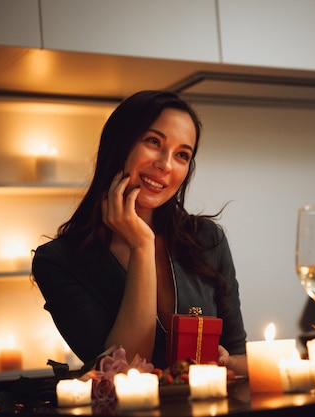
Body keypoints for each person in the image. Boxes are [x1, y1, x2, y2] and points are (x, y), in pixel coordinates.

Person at [31, 90, 248, 376]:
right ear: (119, 144)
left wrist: (227, 362)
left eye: (182, 155)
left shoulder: (207, 240)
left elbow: (241, 358)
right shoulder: (59, 261)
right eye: (153, 142)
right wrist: (142, 246)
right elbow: (125, 369)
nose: (165, 164)